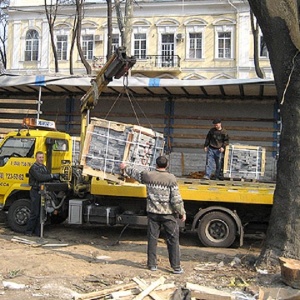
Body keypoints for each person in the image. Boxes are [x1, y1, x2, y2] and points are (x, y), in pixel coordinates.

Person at [120, 156, 186, 274]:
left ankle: (152, 265)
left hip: (153, 213)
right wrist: (181, 212)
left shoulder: (148, 176)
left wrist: (125, 167)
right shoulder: (171, 178)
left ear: (156, 165)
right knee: (173, 240)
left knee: (152, 238)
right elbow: (176, 199)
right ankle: (176, 267)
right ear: (167, 165)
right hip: (168, 214)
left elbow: (135, 173)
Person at [25, 151, 59, 236]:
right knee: (35, 212)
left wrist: (57, 178)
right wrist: (52, 176)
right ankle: (28, 232)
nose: (41, 159)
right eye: (39, 157)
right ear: (36, 158)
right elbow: (40, 177)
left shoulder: (44, 167)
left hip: (43, 192)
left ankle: (38, 232)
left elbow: (47, 177)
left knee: (41, 213)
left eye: (42, 157)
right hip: (35, 191)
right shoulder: (33, 168)